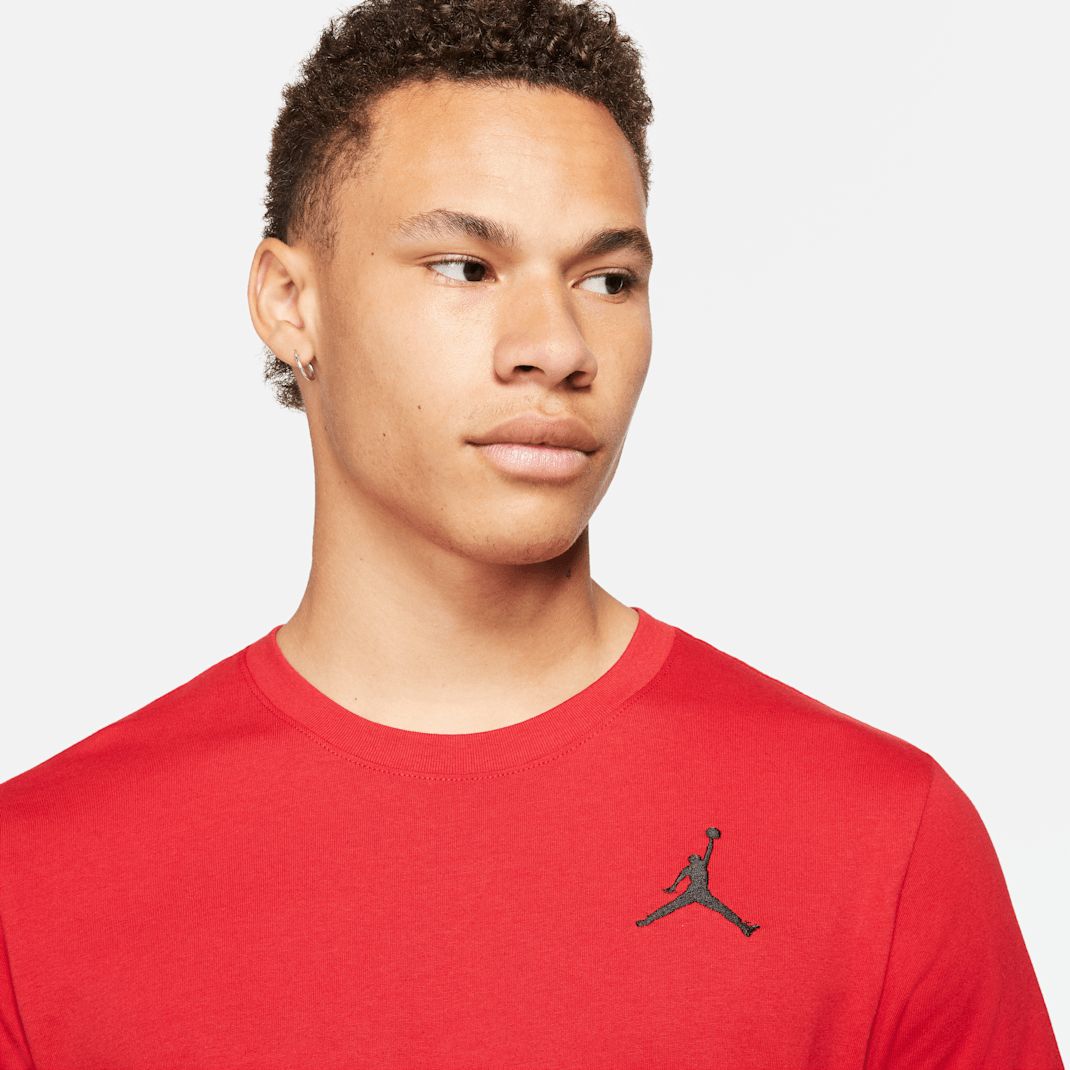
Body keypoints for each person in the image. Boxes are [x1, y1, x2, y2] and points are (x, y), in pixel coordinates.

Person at [0, 0, 1062, 1067]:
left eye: (607, 280)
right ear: (289, 302)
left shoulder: (881, 842)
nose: (556, 347)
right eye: (464, 267)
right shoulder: (34, 885)